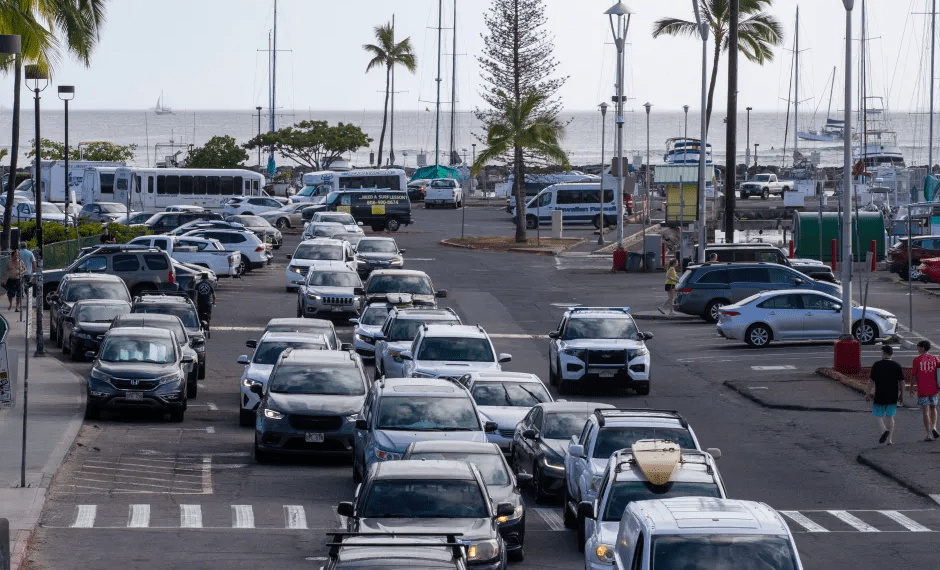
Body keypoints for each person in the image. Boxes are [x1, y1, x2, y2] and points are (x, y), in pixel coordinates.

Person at [865, 345, 904, 445]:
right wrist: (901, 394)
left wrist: (867, 393)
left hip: (880, 394)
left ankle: (884, 429)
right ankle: (890, 440)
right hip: (893, 394)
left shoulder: (877, 365)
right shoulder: (896, 365)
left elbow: (871, 381)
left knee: (877, 414)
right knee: (890, 417)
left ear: (884, 353)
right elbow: (901, 382)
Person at [910, 340, 940, 441]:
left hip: (923, 389)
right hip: (934, 388)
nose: (917, 349)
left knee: (925, 411)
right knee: (933, 408)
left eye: (918, 347)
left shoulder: (917, 360)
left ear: (922, 348)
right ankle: (934, 427)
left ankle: (928, 434)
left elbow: (913, 375)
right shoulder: (935, 358)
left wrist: (911, 388)